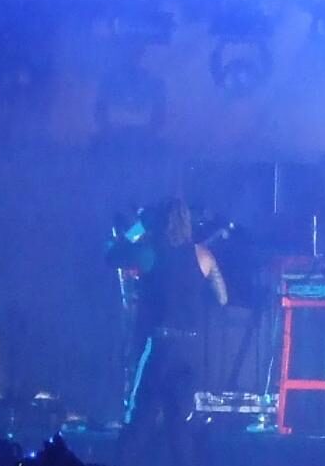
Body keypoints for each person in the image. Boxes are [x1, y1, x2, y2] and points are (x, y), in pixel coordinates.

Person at [106, 198, 228, 466]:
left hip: (161, 348)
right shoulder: (203, 255)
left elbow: (112, 254)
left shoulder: (151, 253)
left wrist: (140, 225)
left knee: (140, 421)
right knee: (179, 427)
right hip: (190, 352)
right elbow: (222, 298)